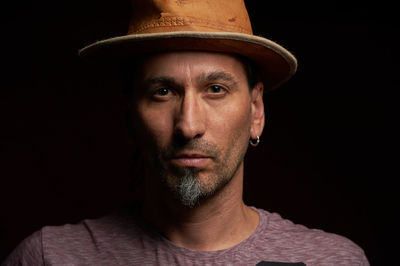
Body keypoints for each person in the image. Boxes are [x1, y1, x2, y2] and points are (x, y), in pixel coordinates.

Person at [2, 0, 369, 265]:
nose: (188, 125)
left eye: (215, 90)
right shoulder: (50, 258)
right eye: (163, 91)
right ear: (130, 115)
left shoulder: (333, 261)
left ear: (256, 111)